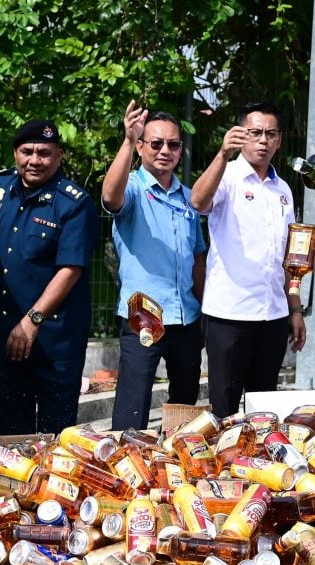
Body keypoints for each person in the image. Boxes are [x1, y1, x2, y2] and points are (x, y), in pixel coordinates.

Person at [0, 120, 100, 434]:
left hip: (54, 342)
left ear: (58, 156)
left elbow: (70, 269)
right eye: (26, 151)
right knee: (12, 435)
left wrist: (32, 321)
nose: (34, 160)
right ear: (16, 153)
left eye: (44, 153)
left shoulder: (74, 203)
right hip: (7, 338)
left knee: (54, 437)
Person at [190, 101, 306, 417]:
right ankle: (220, 467)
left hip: (272, 314)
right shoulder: (226, 176)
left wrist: (295, 308)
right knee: (224, 407)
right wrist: (221, 155)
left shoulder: (283, 189)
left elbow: (289, 257)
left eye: (270, 134)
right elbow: (198, 201)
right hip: (230, 313)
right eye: (255, 133)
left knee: (264, 408)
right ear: (242, 136)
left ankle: (256, 466)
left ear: (280, 139)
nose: (263, 141)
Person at [103, 101, 207, 430]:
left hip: (187, 315)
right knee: (133, 406)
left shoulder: (191, 199)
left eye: (173, 144)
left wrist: (205, 309)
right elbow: (109, 197)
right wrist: (126, 140)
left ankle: (176, 470)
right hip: (143, 314)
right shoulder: (132, 187)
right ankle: (126, 469)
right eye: (156, 143)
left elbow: (198, 259)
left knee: (185, 405)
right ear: (141, 146)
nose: (165, 150)